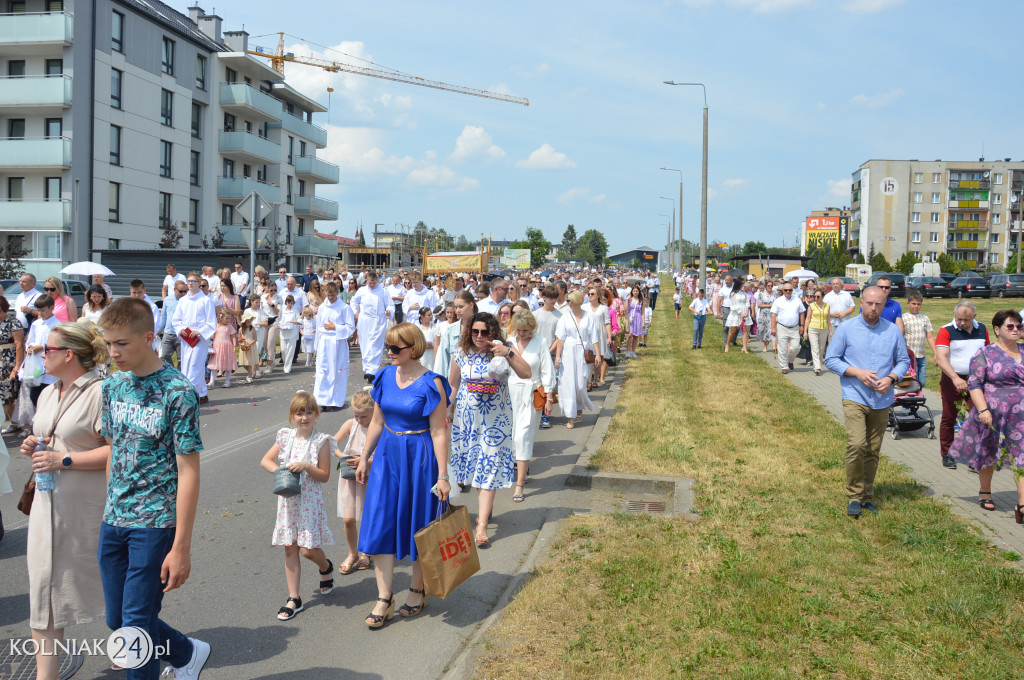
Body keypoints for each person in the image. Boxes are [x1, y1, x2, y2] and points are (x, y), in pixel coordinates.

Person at [97, 297, 211, 679]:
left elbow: (189, 469)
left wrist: (181, 545)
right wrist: (107, 507)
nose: (113, 352)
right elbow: (114, 449)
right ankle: (185, 653)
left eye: (122, 344)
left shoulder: (177, 391)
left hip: (155, 524)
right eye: (108, 344)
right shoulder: (112, 386)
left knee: (135, 628)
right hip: (114, 519)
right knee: (119, 619)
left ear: (148, 338)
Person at [19, 322, 108, 680]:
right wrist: (33, 446)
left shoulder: (102, 392)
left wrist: (64, 460)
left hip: (87, 510)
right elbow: (48, 437)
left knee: (107, 587)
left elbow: (118, 452)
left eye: (46, 350)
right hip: (45, 505)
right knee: (44, 589)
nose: (40, 354)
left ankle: (134, 648)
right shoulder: (47, 392)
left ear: (68, 354)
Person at [356, 323, 451, 627]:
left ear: (414, 348)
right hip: (386, 457)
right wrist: (364, 457)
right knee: (381, 521)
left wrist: (443, 475)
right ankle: (385, 597)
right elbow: (376, 422)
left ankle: (417, 588)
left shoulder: (432, 383)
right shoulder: (384, 376)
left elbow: (438, 432)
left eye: (395, 348)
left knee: (418, 524)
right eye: (388, 347)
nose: (390, 353)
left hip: (420, 458)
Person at [825, 286, 910, 518]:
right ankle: (854, 495)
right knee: (856, 445)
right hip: (855, 396)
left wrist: (891, 378)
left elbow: (903, 361)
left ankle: (867, 495)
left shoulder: (892, 331)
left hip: (882, 399)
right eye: (870, 303)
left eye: (879, 304)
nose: (874, 308)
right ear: (861, 302)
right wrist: (856, 372)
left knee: (873, 449)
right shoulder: (846, 329)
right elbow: (831, 359)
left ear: (885, 305)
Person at [449, 313, 531, 544]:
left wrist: (509, 353)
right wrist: (446, 410)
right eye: (475, 331)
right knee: (474, 466)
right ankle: (486, 509)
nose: (479, 336)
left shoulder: (504, 350)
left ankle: (482, 526)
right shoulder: (461, 353)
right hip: (467, 420)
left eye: (485, 332)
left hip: (496, 421)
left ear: (493, 332)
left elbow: (526, 373)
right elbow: (453, 385)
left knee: (489, 465)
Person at [260, 391, 336, 620]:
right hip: (288, 500)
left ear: (317, 414)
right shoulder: (285, 436)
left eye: (309, 413)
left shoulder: (321, 441)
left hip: (309, 501)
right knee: (290, 546)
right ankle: (294, 598)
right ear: (292, 416)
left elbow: (324, 476)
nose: (304, 417)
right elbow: (265, 460)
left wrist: (306, 466)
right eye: (299, 413)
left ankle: (326, 567)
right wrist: (281, 472)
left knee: (308, 550)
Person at [947, 310, 1024, 519]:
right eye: (1011, 326)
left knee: (1022, 457)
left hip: (1021, 418)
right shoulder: (985, 354)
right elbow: (975, 384)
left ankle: (1022, 504)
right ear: (997, 330)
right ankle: (985, 491)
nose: (1016, 329)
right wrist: (983, 410)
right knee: (988, 452)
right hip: (993, 414)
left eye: (1019, 326)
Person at [507, 309, 555, 502]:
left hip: (531, 392)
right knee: (511, 437)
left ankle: (519, 484)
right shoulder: (509, 342)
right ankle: (517, 469)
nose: (522, 334)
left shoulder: (540, 342)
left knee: (523, 437)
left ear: (532, 328)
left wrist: (549, 397)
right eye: (518, 330)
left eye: (525, 330)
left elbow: (547, 370)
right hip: (509, 393)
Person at [934, 300, 989, 470]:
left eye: (966, 319)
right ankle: (947, 453)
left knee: (979, 416)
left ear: (974, 317)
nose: (962, 323)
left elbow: (987, 353)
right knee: (949, 417)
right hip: (952, 379)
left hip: (976, 381)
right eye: (959, 319)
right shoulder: (946, 330)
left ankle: (974, 455)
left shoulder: (982, 329)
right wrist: (955, 378)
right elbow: (941, 358)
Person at [333, 388, 374, 575]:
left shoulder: (378, 427)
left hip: (369, 477)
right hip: (349, 475)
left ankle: (366, 552)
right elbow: (332, 442)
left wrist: (366, 460)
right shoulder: (351, 424)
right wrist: (343, 456)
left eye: (364, 416)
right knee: (348, 519)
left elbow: (387, 455)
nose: (359, 420)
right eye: (356, 416)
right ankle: (352, 553)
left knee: (368, 517)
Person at [554, 291, 598, 429]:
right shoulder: (565, 318)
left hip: (583, 351)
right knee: (568, 384)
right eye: (568, 301)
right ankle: (571, 416)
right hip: (568, 352)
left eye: (571, 301)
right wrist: (557, 356)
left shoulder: (589, 316)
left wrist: (597, 354)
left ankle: (579, 407)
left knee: (580, 384)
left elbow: (594, 336)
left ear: (578, 301)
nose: (569, 304)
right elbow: (560, 339)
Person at [314, 282, 355, 412]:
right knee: (323, 370)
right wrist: (317, 345)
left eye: (333, 295)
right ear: (325, 292)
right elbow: (318, 326)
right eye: (328, 295)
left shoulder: (344, 308)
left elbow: (350, 328)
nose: (330, 297)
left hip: (337, 342)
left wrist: (336, 327)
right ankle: (321, 400)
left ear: (337, 293)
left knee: (337, 371)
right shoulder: (322, 307)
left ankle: (335, 401)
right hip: (324, 342)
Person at [350, 271, 391, 383]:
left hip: (378, 321)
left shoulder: (383, 291)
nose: (371, 285)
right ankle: (368, 369)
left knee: (376, 345)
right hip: (365, 320)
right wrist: (355, 313)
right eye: (369, 283)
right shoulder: (362, 291)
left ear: (377, 281)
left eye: (373, 283)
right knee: (365, 344)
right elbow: (354, 301)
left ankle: (373, 371)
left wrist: (389, 311)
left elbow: (390, 304)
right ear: (366, 281)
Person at [23, 295, 60, 406]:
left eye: (43, 310)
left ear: (52, 307)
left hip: (50, 367)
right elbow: (29, 341)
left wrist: (43, 347)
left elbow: (59, 346)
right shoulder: (36, 324)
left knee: (49, 398)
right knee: (34, 397)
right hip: (36, 366)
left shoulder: (57, 325)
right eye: (38, 310)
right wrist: (29, 347)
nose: (41, 313)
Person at [433, 290, 476, 381]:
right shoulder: (450, 330)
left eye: (461, 307)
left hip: (475, 384)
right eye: (456, 307)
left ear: (471, 305)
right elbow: (443, 360)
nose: (457, 311)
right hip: (454, 384)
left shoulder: (482, 328)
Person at [902, 291, 936, 387]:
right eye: (913, 304)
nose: (916, 306)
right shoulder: (904, 318)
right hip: (909, 355)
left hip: (921, 355)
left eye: (918, 304)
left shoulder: (924, 318)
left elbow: (929, 336)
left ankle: (919, 395)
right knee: (911, 381)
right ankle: (911, 398)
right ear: (908, 303)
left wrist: (935, 352)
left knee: (922, 382)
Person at [770, 283, 805, 374]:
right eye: (786, 290)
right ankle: (784, 366)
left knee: (796, 347)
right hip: (782, 327)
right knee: (782, 348)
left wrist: (802, 326)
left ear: (792, 291)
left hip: (794, 327)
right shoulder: (778, 301)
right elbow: (773, 315)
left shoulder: (797, 300)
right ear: (783, 291)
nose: (788, 292)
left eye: (790, 290)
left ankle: (790, 360)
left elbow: (802, 313)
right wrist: (773, 327)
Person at [586, 286, 611, 386]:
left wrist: (609, 337)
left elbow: (607, 323)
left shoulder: (603, 308)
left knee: (598, 356)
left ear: (597, 296)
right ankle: (588, 381)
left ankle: (595, 379)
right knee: (589, 357)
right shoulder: (584, 307)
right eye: (589, 294)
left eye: (592, 294)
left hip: (600, 334)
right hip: (588, 334)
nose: (590, 296)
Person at [802, 288, 831, 375]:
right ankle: (817, 367)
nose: (816, 298)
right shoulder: (812, 306)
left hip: (824, 329)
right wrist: (805, 332)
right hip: (813, 328)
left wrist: (831, 331)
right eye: (815, 296)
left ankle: (818, 363)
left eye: (818, 296)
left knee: (821, 349)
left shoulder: (827, 306)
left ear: (822, 297)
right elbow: (807, 319)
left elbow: (828, 319)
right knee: (815, 348)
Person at [206, 309, 238, 388]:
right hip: (217, 347)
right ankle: (211, 381)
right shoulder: (216, 326)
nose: (228, 320)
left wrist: (234, 345)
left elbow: (233, 335)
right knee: (214, 364)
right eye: (226, 318)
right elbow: (213, 337)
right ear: (220, 318)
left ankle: (227, 381)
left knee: (227, 364)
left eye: (229, 318)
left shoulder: (229, 326)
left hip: (226, 347)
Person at [159, 281, 187, 365]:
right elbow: (163, 316)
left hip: (181, 334)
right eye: (181, 291)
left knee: (181, 359)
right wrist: (159, 330)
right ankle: (172, 372)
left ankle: (179, 376)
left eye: (185, 291)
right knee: (164, 356)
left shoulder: (187, 301)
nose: (183, 293)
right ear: (175, 290)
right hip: (168, 333)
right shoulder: (167, 300)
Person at [279, 295, 302, 374]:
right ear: (286, 302)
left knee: (290, 351)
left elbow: (300, 321)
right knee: (283, 350)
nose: (290, 304)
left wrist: (292, 322)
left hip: (292, 333)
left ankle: (287, 367)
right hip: (283, 332)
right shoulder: (282, 311)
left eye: (291, 302)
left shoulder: (295, 311)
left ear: (293, 303)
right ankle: (286, 363)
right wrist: (280, 325)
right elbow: (279, 320)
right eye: (288, 302)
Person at [725, 283, 750, 353]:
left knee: (745, 330)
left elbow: (747, 303)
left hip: (744, 312)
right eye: (742, 284)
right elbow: (734, 305)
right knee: (733, 330)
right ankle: (727, 344)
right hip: (736, 313)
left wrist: (747, 312)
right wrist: (740, 313)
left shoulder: (744, 293)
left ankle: (744, 347)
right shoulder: (733, 293)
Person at [755, 282, 777, 353]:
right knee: (764, 330)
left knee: (772, 329)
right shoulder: (761, 294)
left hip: (772, 314)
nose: (770, 287)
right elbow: (759, 305)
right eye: (768, 285)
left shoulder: (775, 294)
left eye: (771, 286)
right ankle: (765, 345)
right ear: (765, 286)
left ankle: (774, 347)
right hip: (763, 314)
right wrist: (770, 305)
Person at [237, 310, 258, 384]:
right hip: (243, 347)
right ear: (244, 322)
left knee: (249, 363)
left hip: (250, 347)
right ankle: (250, 372)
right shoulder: (240, 330)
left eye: (250, 321)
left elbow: (255, 339)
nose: (250, 323)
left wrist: (249, 343)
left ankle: (249, 376)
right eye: (248, 322)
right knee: (243, 363)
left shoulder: (252, 329)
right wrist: (241, 340)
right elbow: (239, 339)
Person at [625, 286, 645, 358]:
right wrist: (627, 300)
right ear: (632, 292)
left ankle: (633, 351)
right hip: (630, 318)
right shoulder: (629, 299)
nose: (635, 292)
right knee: (629, 335)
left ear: (639, 292)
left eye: (637, 291)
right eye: (634, 291)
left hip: (638, 317)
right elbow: (625, 309)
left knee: (636, 336)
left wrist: (643, 321)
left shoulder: (641, 300)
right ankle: (627, 351)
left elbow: (643, 311)